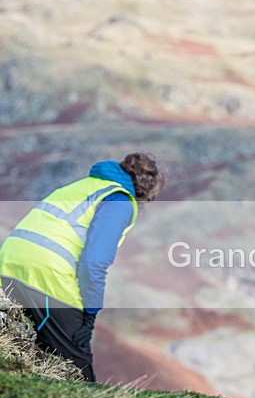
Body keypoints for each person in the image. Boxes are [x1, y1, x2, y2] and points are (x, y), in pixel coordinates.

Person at [0, 153, 164, 382]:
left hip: (9, 264)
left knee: (31, 352)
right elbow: (94, 262)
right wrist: (90, 314)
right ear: (145, 192)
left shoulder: (83, 186)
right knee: (77, 370)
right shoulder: (119, 200)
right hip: (47, 275)